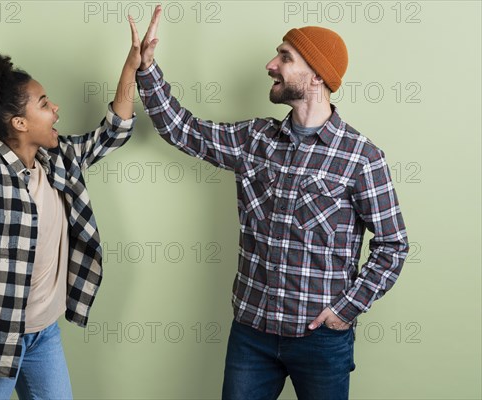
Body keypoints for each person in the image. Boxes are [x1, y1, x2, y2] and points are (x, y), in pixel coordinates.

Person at [134, 6, 409, 400]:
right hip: (252, 334)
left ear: (316, 75)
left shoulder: (361, 157)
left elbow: (392, 246)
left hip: (320, 340)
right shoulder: (255, 138)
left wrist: (346, 309)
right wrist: (148, 70)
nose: (271, 64)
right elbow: (184, 131)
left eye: (284, 57)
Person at [0, 17, 143, 400]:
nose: (56, 109)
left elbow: (114, 130)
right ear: (20, 122)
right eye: (43, 104)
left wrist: (131, 66)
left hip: (45, 334)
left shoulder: (58, 158)